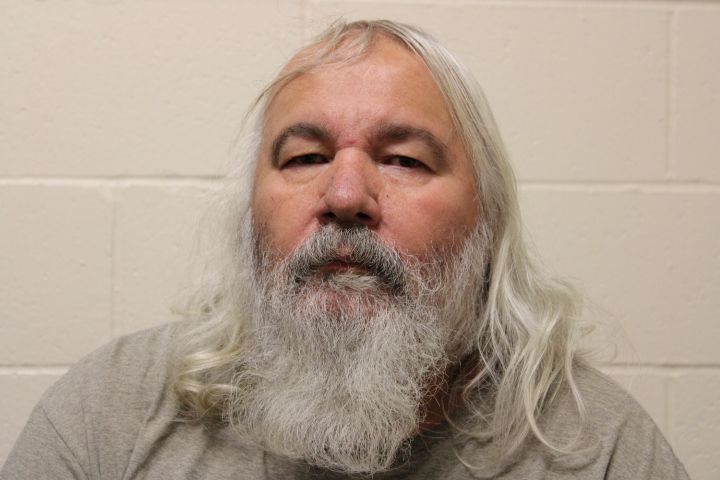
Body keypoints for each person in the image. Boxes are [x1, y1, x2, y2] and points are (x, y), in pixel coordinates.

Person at [1, 19, 689, 480]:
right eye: (305, 157)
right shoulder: (111, 413)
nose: (345, 194)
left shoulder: (598, 448)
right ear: (249, 216)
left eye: (404, 160)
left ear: (488, 221)